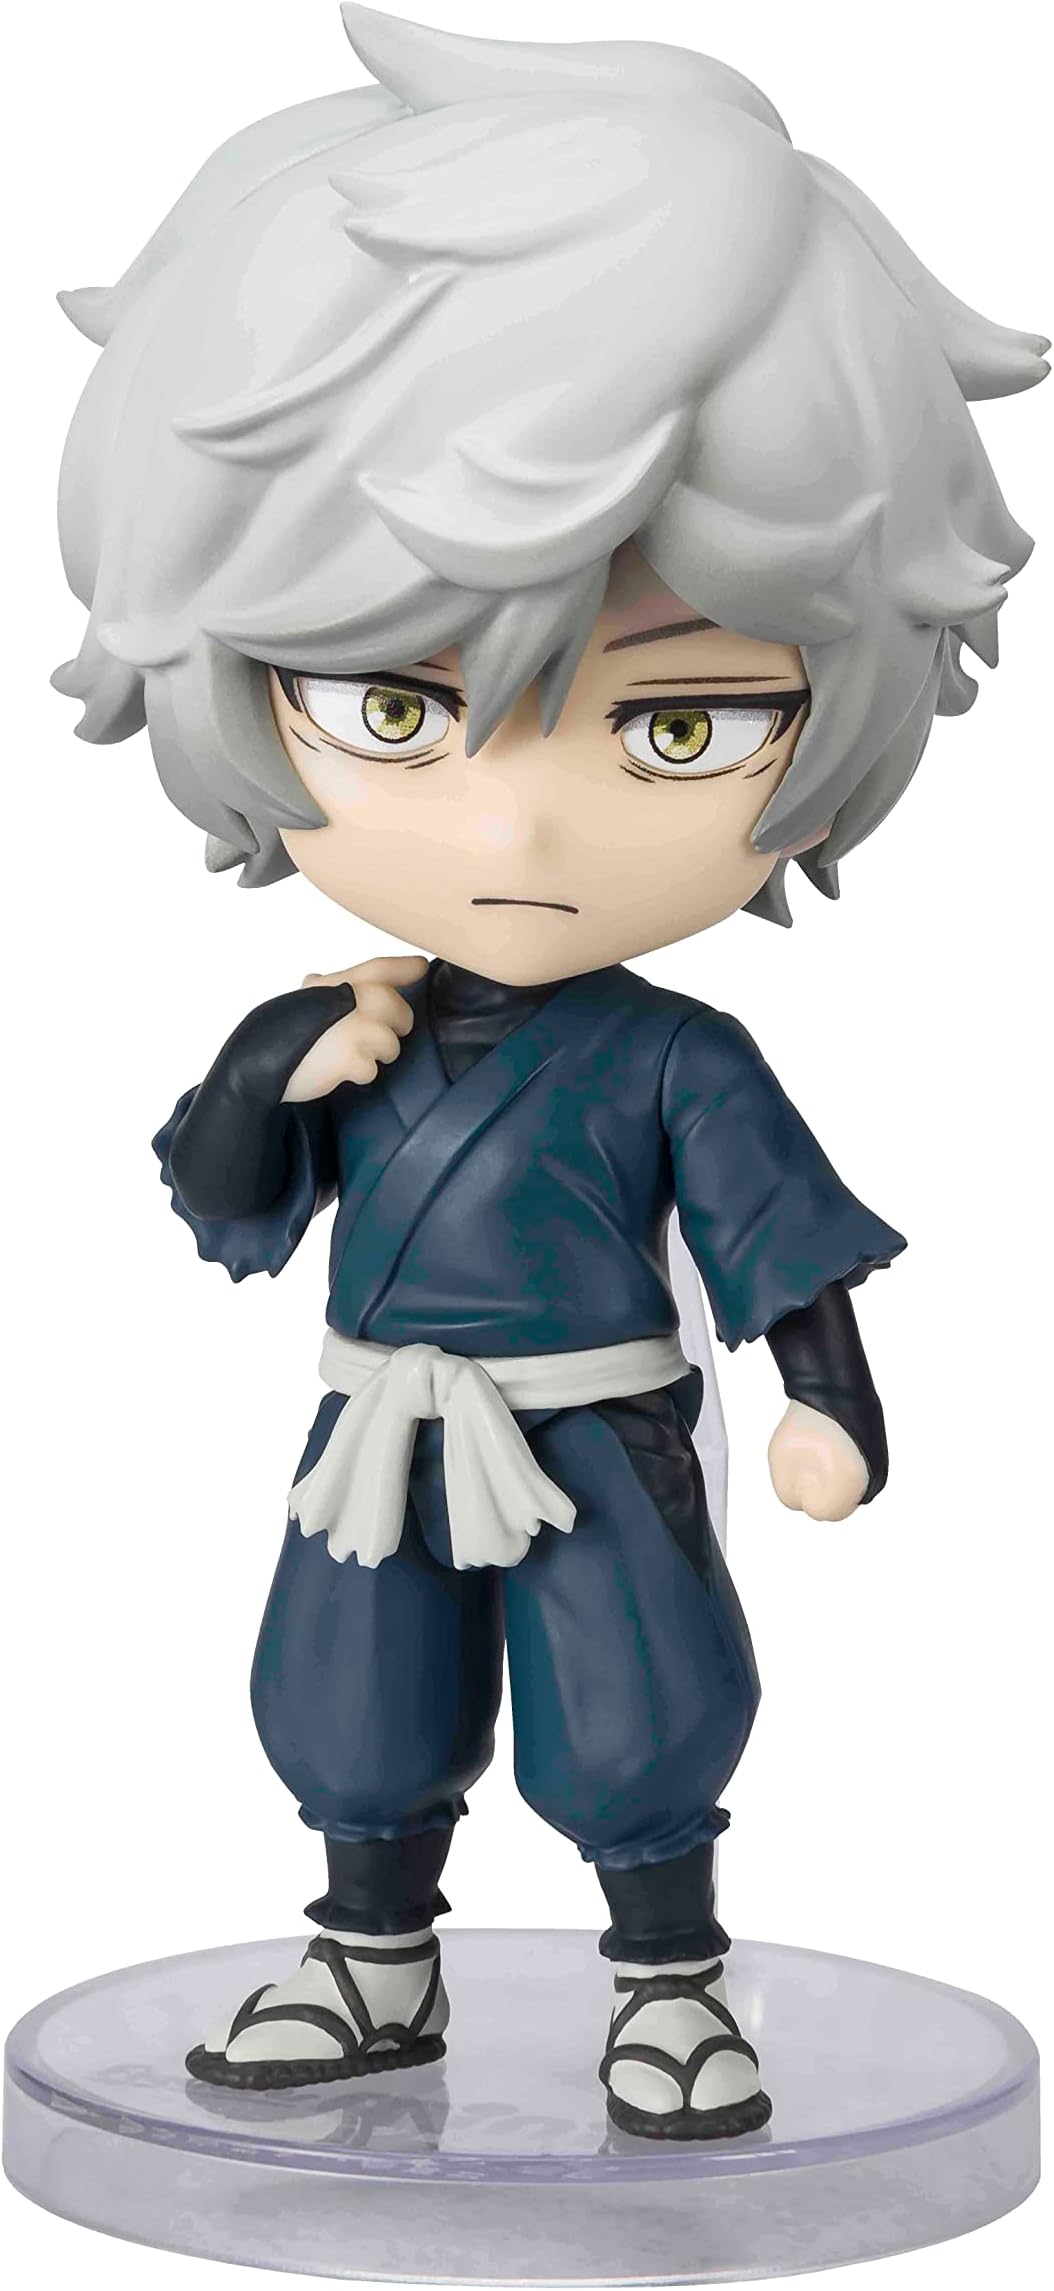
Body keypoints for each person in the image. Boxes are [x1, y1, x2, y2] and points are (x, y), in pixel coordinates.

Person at [54, 6, 1046, 2139]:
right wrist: (264, 1071)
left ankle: (667, 1983)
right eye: (392, 709)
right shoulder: (347, 1024)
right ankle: (368, 1952)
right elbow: (228, 1208)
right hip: (376, 1422)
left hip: (597, 1430)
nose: (513, 826)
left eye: (678, 724)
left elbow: (781, 1245)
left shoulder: (672, 1051)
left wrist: (830, 1404)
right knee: (350, 1687)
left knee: (634, 1696)